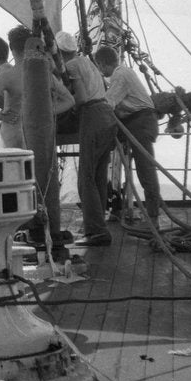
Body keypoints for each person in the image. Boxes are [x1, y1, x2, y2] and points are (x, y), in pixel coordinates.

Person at [58, 31, 117, 247]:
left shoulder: (72, 66)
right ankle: (98, 224)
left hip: (92, 117)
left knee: (86, 179)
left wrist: (61, 102)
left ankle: (96, 231)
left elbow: (81, 98)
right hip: (108, 117)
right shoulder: (89, 62)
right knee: (99, 176)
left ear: (59, 52)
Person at [93, 46, 162, 229]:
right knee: (143, 168)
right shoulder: (124, 72)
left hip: (140, 123)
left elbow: (107, 103)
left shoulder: (120, 75)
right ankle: (113, 199)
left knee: (145, 170)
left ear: (101, 64)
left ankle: (153, 217)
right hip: (138, 121)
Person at [0, 25, 74, 149]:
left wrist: (1, 117)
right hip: (38, 133)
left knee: (13, 168)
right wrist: (44, 112)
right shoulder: (45, 74)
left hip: (13, 133)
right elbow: (69, 101)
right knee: (39, 167)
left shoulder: (7, 76)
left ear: (12, 49)